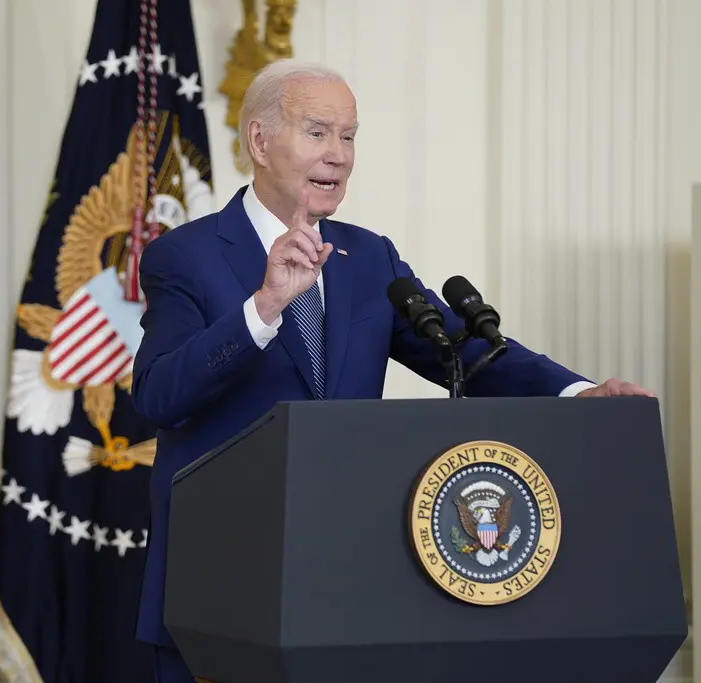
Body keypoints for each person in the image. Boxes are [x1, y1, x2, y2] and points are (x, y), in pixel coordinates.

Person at [130, 59, 654, 682]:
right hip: (221, 593)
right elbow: (158, 394)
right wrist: (262, 308)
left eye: (349, 137)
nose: (341, 155)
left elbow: (466, 353)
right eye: (320, 132)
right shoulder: (183, 256)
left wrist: (578, 391)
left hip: (348, 588)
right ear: (260, 142)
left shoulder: (366, 255)